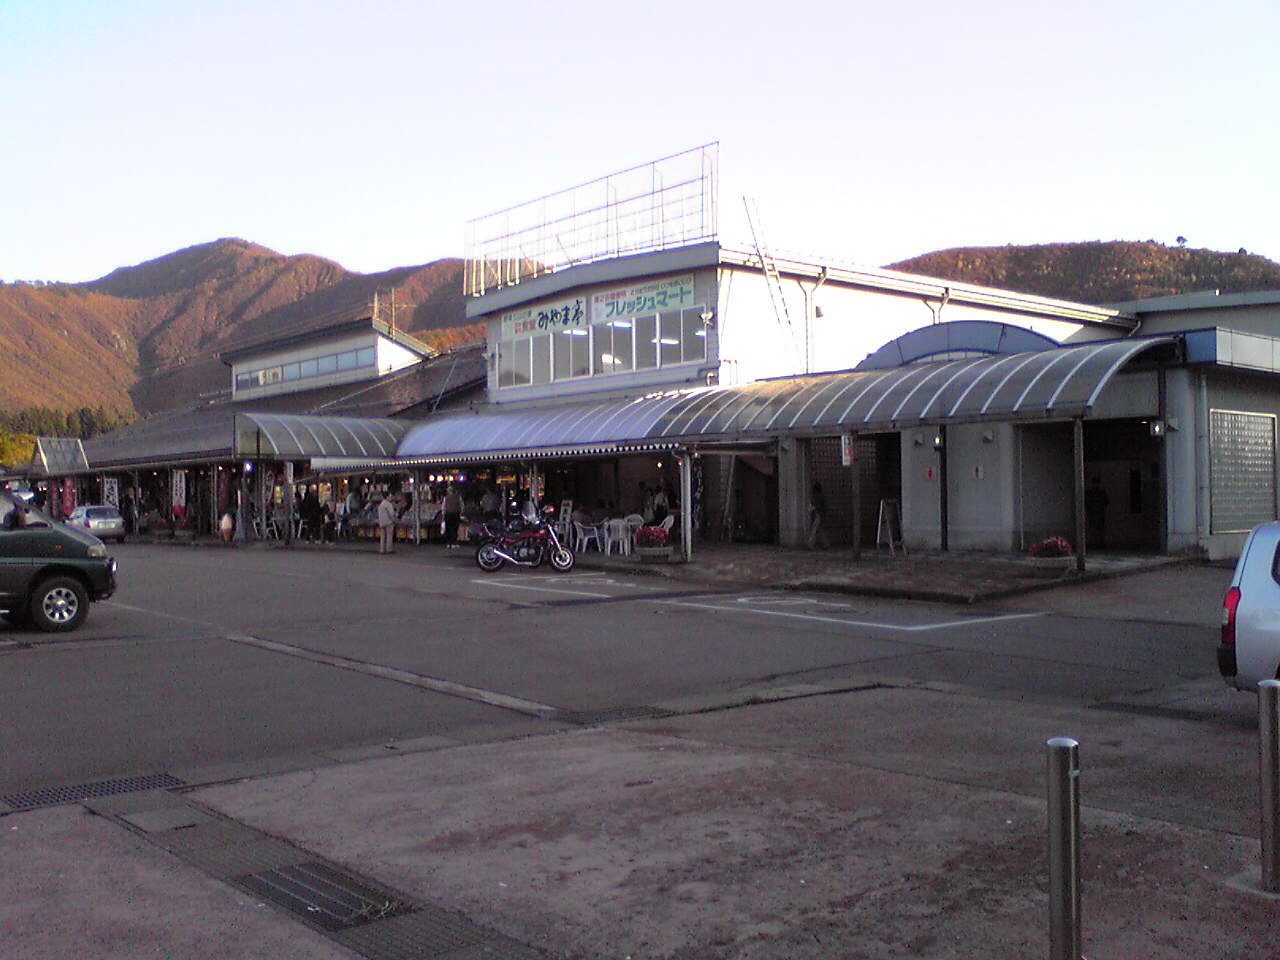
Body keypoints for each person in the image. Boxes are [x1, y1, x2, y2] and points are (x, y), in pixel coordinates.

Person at [1085, 476, 1109, 550]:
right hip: (1094, 513)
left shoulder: (1101, 492)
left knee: (1099, 529)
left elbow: (1106, 502)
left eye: (1097, 483)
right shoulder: (1090, 492)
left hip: (1099, 513)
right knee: (1093, 529)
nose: (1096, 485)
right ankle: (1094, 543)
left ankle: (1099, 543)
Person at [807, 481, 830, 549]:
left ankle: (810, 544)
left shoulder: (817, 496)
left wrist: (811, 508)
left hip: (818, 514)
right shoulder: (820, 495)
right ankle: (826, 544)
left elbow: (816, 505)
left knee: (814, 529)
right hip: (819, 514)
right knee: (819, 530)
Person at [443, 483, 463, 548]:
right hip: (456, 514)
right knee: (455, 528)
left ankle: (449, 543)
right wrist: (460, 512)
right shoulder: (458, 497)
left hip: (448, 514)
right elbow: (462, 506)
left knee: (448, 528)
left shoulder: (446, 498)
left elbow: (443, 507)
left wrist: (443, 514)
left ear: (449, 491)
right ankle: (454, 542)